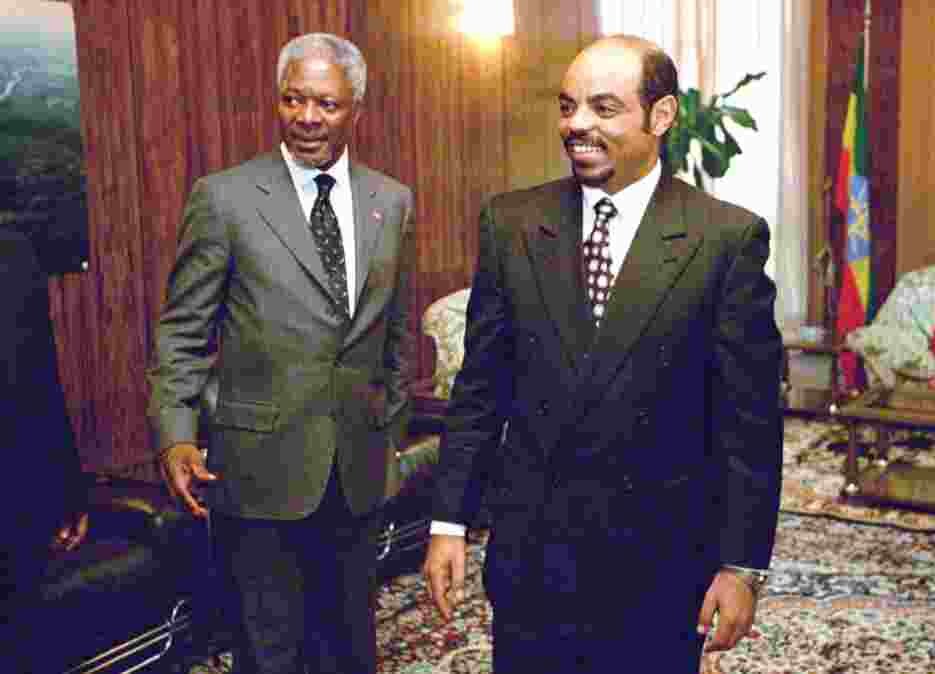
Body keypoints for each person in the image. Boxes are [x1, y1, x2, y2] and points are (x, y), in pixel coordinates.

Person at [422, 35, 783, 673]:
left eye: (604, 108)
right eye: (568, 107)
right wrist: (448, 523)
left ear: (661, 116)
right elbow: (480, 389)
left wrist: (741, 566)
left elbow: (749, 425)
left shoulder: (726, 239)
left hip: (661, 570)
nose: (577, 125)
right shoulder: (511, 223)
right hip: (532, 566)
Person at [148, 33, 415, 674]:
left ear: (356, 106)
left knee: (349, 648)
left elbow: (397, 334)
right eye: (292, 100)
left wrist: (390, 430)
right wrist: (175, 436)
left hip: (355, 469)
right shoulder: (225, 198)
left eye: (325, 103)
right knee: (269, 652)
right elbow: (182, 331)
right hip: (259, 472)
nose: (306, 118)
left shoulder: (391, 201)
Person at [0, 228, 89, 673]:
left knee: (22, 647)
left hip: (14, 501)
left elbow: (39, 378)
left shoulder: (13, 251)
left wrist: (68, 490)